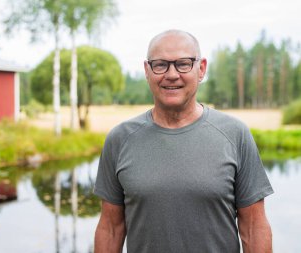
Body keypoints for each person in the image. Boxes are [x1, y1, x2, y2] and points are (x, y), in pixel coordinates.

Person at [93, 29, 274, 253]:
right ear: (147, 71)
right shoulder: (119, 139)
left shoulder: (235, 134)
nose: (171, 74)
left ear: (202, 69)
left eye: (183, 63)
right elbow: (110, 228)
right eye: (160, 64)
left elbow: (254, 227)